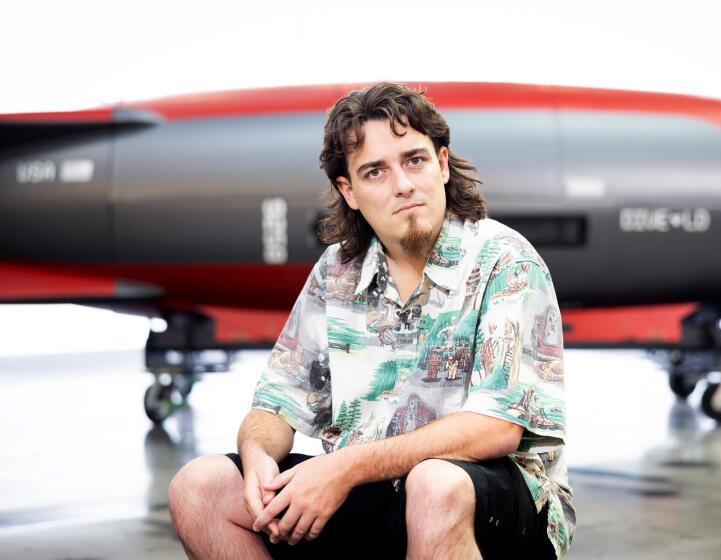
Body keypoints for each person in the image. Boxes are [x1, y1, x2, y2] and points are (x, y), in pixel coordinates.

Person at [168, 82, 575, 559]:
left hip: (495, 504)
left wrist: (344, 469)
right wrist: (259, 459)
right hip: (373, 492)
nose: (402, 184)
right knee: (199, 486)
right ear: (350, 191)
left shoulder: (504, 261)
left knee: (434, 484)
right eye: (375, 172)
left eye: (415, 160)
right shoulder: (336, 272)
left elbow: (496, 428)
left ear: (442, 164)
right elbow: (276, 406)